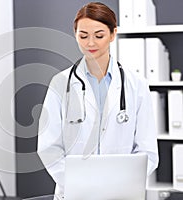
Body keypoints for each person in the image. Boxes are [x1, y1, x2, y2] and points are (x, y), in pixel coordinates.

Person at [37, 2, 159, 195]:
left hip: (121, 193)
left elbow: (147, 151)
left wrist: (120, 184)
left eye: (99, 35)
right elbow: (48, 147)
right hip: (74, 193)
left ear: (113, 34)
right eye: (83, 36)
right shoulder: (60, 84)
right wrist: (78, 185)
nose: (90, 43)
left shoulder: (137, 85)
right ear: (75, 35)